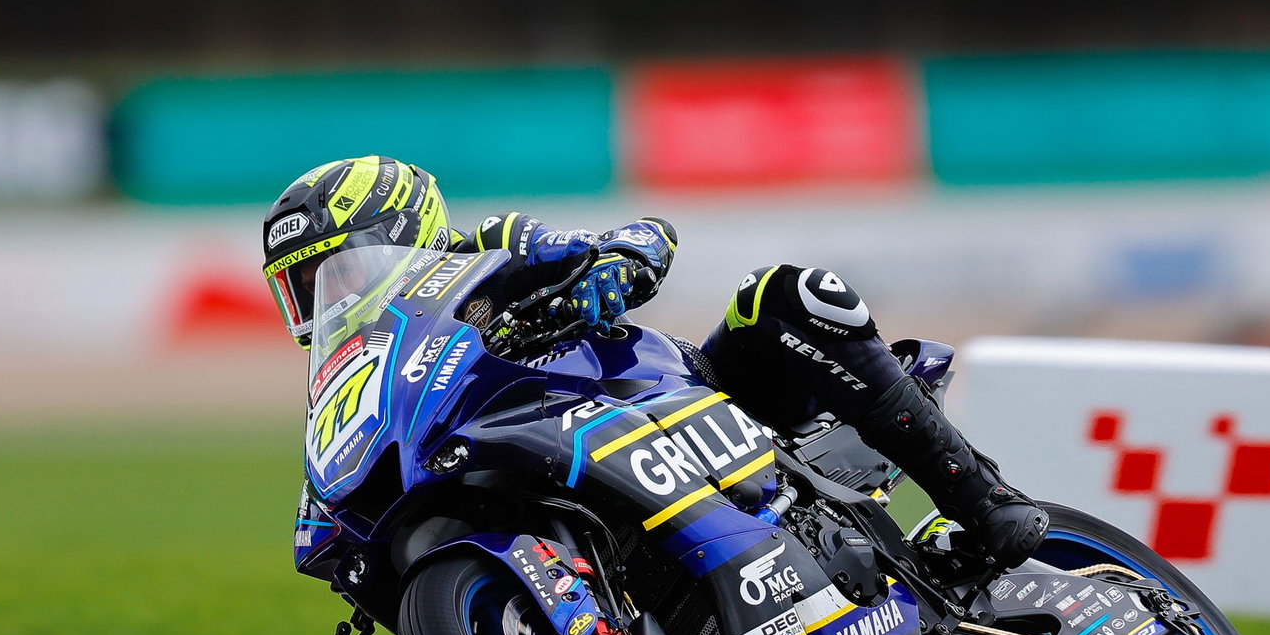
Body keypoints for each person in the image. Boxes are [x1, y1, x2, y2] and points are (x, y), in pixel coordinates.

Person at [262, 156, 1047, 570]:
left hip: (678, 402)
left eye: (338, 268)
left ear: (407, 233)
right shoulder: (362, 379)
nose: (329, 296)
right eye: (305, 288)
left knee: (784, 294)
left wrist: (616, 263)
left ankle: (985, 500)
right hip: (540, 458)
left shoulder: (489, 246)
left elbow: (644, 233)